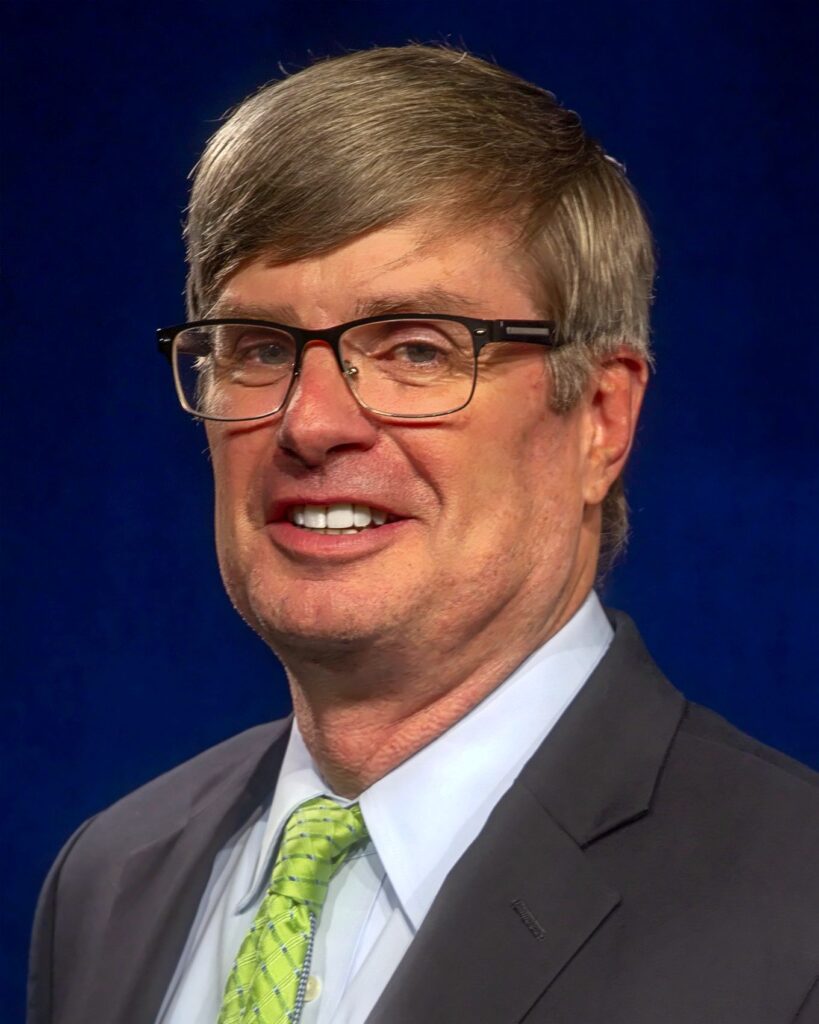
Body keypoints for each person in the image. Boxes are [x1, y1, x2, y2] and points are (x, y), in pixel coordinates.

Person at [28, 44, 819, 1024]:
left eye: (414, 349)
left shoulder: (796, 913)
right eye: (260, 349)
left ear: (601, 420)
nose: (311, 422)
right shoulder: (109, 879)